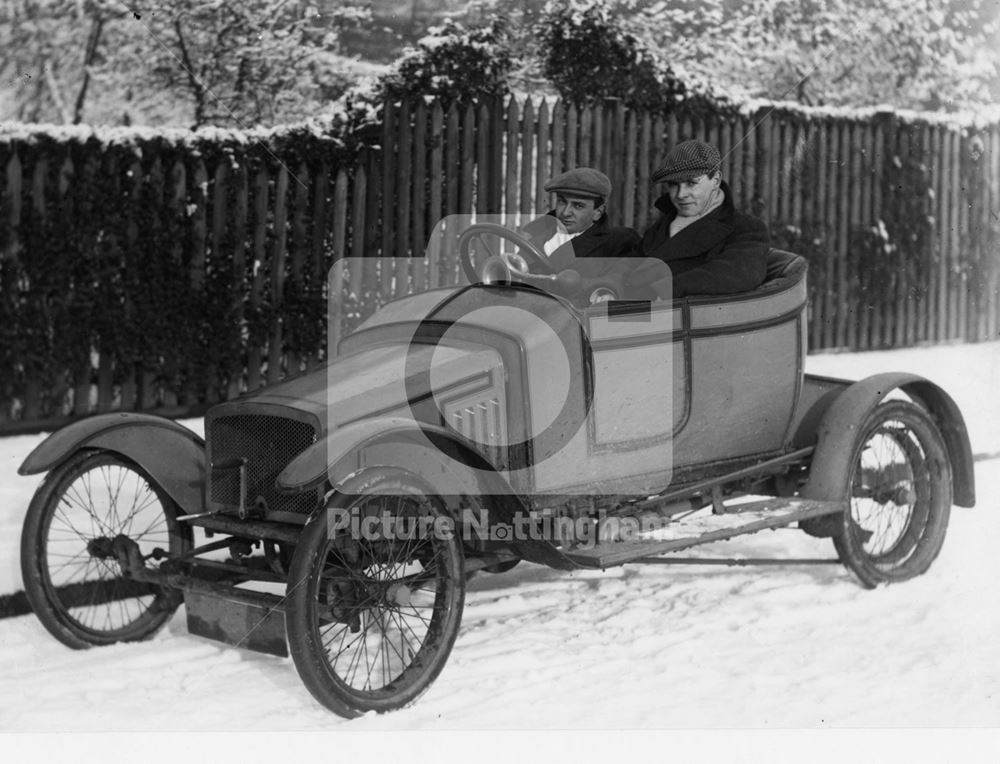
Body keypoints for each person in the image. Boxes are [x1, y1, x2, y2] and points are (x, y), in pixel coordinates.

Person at [626, 140, 770, 299]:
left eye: (691, 183)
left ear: (715, 180)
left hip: (685, 318)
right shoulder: (665, 223)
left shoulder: (745, 228)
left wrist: (665, 289)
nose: (681, 195)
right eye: (674, 185)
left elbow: (737, 273)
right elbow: (634, 264)